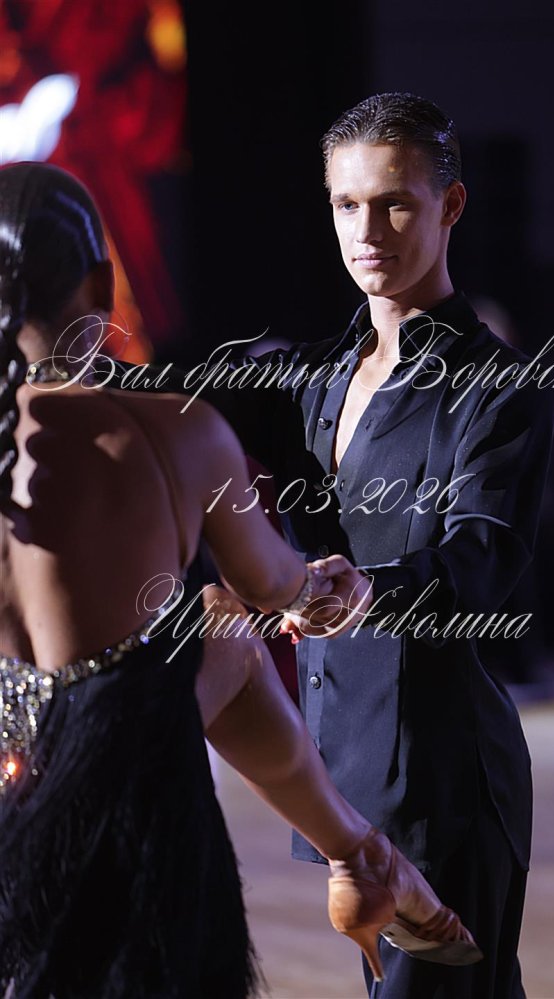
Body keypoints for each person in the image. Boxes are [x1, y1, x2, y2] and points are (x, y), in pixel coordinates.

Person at [0, 162, 480, 998]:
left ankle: (361, 857)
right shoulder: (166, 432)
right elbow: (274, 586)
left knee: (208, 628)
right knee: (217, 626)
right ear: (102, 284)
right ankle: (363, 857)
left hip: (14, 800)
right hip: (122, 822)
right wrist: (329, 583)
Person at [170, 93, 554, 998]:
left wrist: (369, 587)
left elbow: (482, 562)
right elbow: (170, 396)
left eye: (394, 204)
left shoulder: (498, 388)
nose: (367, 231)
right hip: (346, 773)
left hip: (448, 782)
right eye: (347, 204)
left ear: (450, 205)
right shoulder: (315, 373)